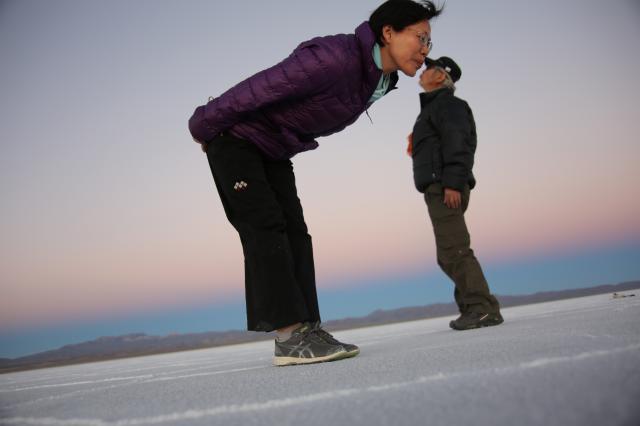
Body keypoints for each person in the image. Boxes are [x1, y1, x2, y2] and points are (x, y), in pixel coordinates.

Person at [189, 0, 442, 366]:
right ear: (388, 32)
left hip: (273, 148)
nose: (425, 50)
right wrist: (204, 124)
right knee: (266, 228)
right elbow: (260, 88)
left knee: (296, 232)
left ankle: (307, 328)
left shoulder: (376, 79)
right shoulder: (335, 57)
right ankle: (290, 337)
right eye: (420, 38)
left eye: (428, 43)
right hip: (235, 139)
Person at [408, 56, 504, 330]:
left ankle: (482, 308)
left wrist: (452, 182)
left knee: (455, 249)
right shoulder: (435, 108)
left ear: (440, 77)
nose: (423, 72)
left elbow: (458, 142)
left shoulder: (449, 105)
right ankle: (471, 308)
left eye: (429, 69)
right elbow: (443, 141)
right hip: (439, 185)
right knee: (448, 253)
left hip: (445, 186)